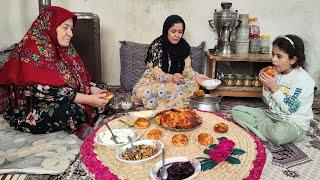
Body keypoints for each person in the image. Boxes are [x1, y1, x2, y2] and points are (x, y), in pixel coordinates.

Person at [0, 6, 111, 139]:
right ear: (50, 26)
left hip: (63, 97)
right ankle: (79, 126)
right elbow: (41, 91)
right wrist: (86, 98)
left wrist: (92, 88)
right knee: (73, 110)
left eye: (71, 29)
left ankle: (82, 118)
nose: (70, 33)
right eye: (65, 27)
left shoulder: (64, 48)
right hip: (33, 107)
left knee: (103, 96)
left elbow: (77, 76)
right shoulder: (32, 49)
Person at [231, 35, 315, 145]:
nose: (273, 59)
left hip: (293, 123)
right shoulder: (277, 73)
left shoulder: (303, 80)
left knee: (278, 135)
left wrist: (274, 87)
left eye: (279, 56)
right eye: (273, 55)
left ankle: (261, 129)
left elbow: (290, 108)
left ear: (293, 60)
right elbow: (269, 102)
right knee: (236, 111)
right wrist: (266, 87)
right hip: (273, 115)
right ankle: (265, 129)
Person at [131, 15, 209, 110]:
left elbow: (187, 70)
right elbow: (156, 72)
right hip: (154, 81)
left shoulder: (184, 46)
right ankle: (173, 104)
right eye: (173, 31)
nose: (177, 35)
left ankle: (167, 104)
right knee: (141, 91)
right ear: (166, 30)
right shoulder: (157, 45)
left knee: (193, 85)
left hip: (176, 82)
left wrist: (196, 76)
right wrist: (171, 77)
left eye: (180, 32)